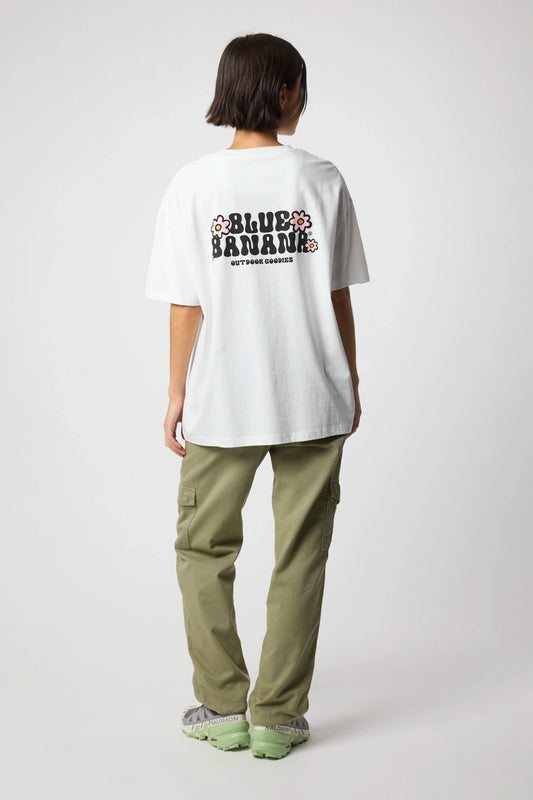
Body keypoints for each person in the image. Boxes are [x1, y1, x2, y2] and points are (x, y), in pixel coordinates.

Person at [145, 32, 370, 760]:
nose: (304, 99)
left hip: (224, 398)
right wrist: (350, 377)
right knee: (301, 553)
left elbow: (185, 301)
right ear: (284, 91)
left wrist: (176, 391)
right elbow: (336, 292)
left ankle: (221, 707)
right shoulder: (320, 178)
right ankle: (277, 715)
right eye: (301, 86)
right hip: (313, 392)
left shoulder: (193, 185)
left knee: (203, 548)